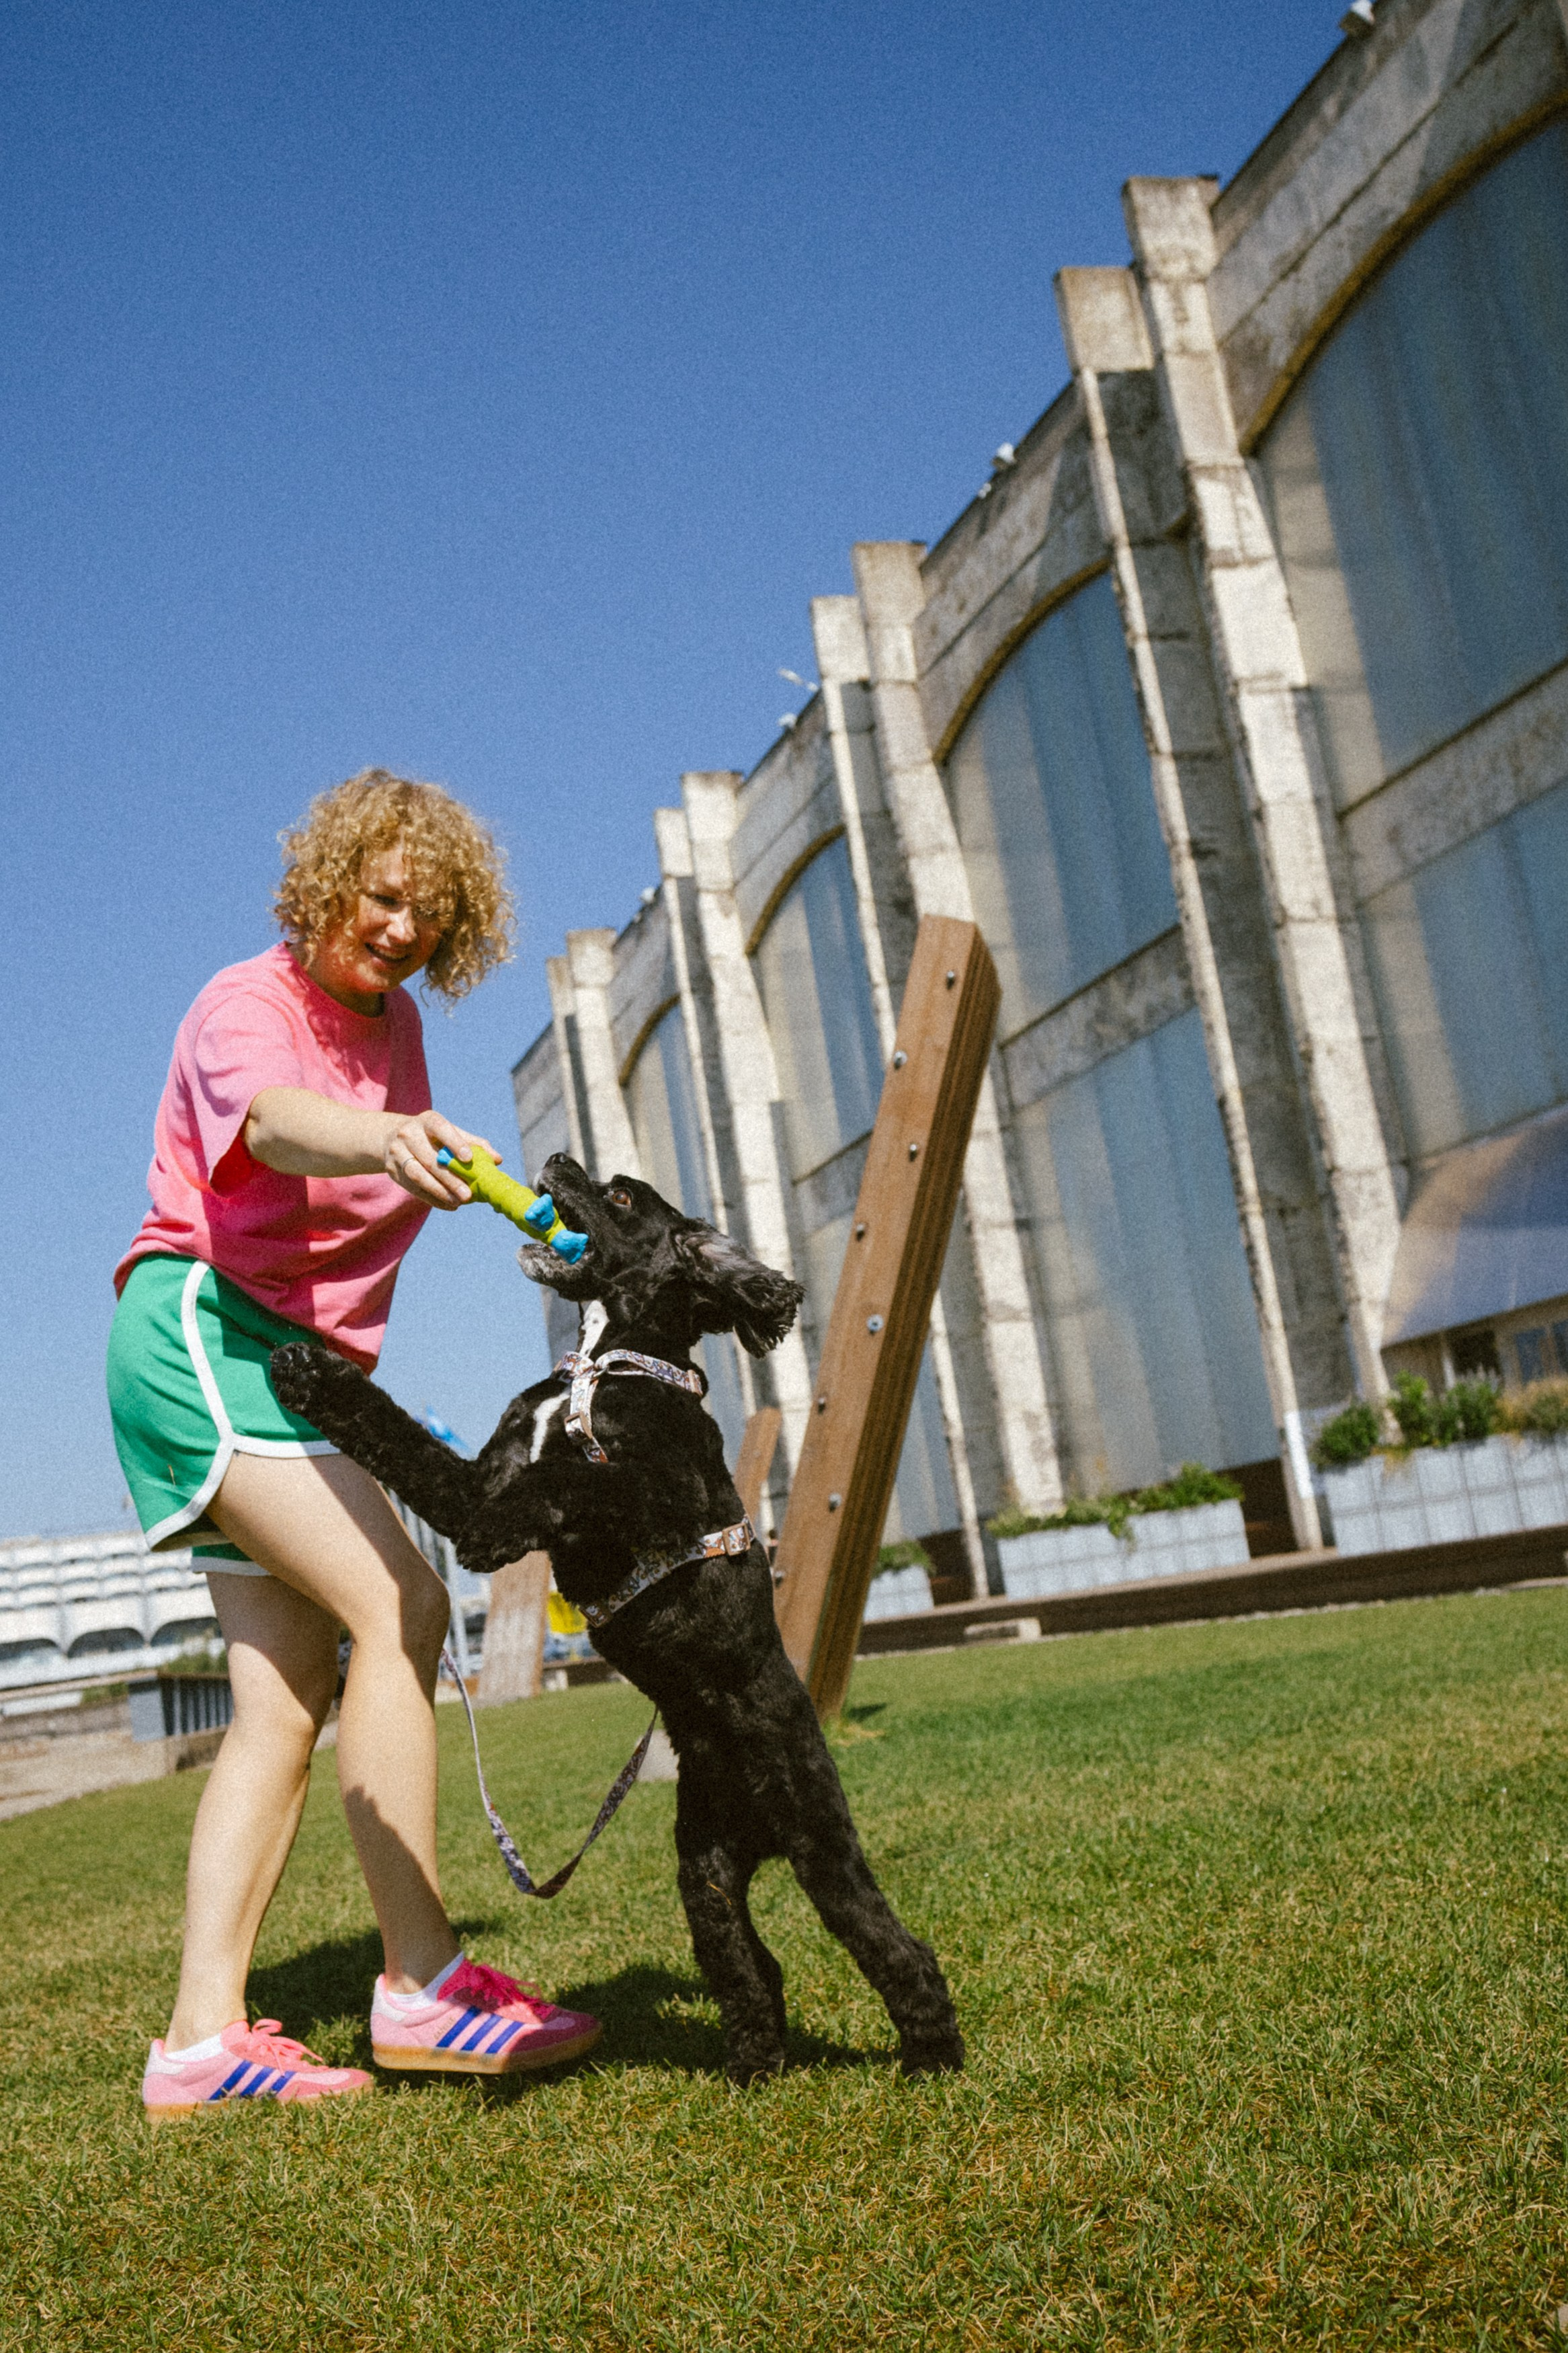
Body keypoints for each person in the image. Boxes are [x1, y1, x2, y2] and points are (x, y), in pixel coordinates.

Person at [108, 768, 600, 2117]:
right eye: (383, 897)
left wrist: (465, 1178)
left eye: (428, 918)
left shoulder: (398, 1041)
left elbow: (384, 1152)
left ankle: (199, 2045)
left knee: (283, 1694)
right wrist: (386, 1139)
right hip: (202, 1338)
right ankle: (424, 1984)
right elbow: (272, 1122)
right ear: (328, 882)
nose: (399, 930)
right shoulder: (246, 1005)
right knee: (405, 1601)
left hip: (292, 1374)